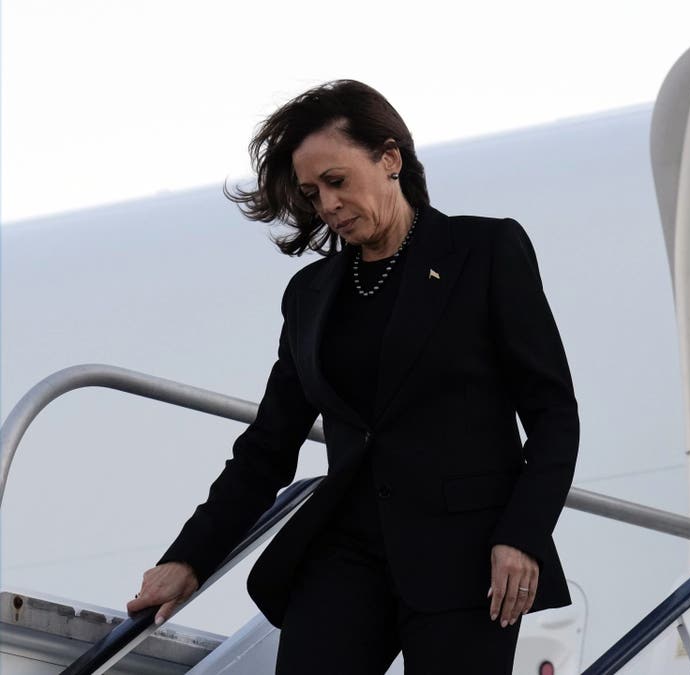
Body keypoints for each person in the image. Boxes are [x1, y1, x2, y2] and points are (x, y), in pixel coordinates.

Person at [126, 79, 580, 674]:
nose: (328, 205)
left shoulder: (485, 249)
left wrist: (521, 535)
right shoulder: (311, 295)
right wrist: (188, 557)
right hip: (345, 556)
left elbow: (553, 415)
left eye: (336, 182)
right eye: (313, 194)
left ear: (390, 159)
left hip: (468, 558)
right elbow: (268, 446)